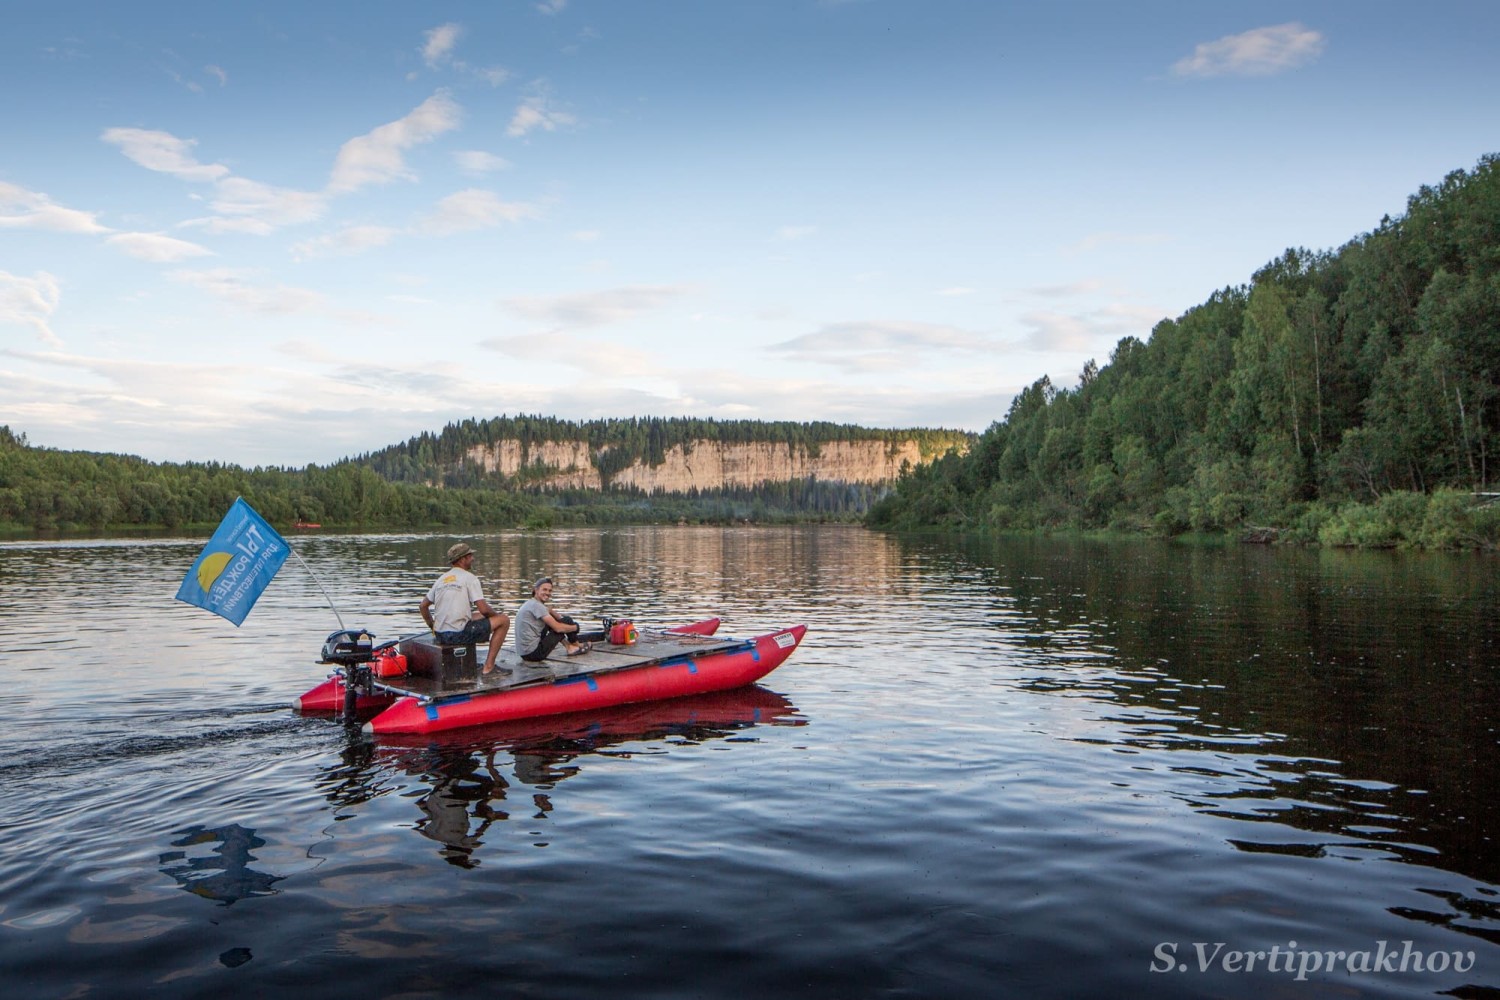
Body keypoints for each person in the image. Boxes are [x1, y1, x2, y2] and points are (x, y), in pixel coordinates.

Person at [420, 542, 511, 676]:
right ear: (463, 559)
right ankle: (489, 668)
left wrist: (432, 626)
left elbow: (423, 606)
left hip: (440, 634)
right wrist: (496, 616)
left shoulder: (442, 579)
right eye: (470, 556)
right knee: (504, 620)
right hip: (457, 634)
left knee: (476, 615)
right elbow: (484, 609)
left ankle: (482, 664)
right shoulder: (470, 578)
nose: (473, 558)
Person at [515, 576, 592, 662]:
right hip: (534, 654)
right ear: (536, 590)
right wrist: (576, 627)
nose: (547, 593)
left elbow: (558, 617)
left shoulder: (531, 603)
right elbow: (558, 628)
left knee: (557, 622)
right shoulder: (537, 606)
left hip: (524, 654)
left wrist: (551, 611)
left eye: (550, 590)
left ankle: (570, 647)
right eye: (544, 589)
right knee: (565, 622)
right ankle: (576, 645)